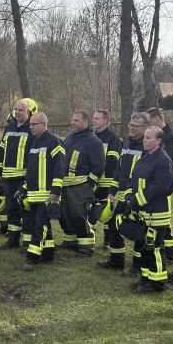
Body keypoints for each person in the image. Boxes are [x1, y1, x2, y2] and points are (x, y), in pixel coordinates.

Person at [118, 126, 173, 293]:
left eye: (149, 138)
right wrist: (129, 194)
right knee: (144, 247)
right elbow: (133, 179)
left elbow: (160, 187)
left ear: (158, 141)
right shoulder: (145, 157)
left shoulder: (163, 161)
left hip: (156, 213)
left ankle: (157, 283)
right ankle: (146, 278)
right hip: (143, 212)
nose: (144, 140)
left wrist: (137, 200)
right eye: (144, 137)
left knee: (155, 249)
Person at [58, 110, 105, 257]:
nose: (72, 122)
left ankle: (87, 247)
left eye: (76, 120)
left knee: (79, 216)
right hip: (65, 185)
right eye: (72, 120)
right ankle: (70, 242)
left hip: (80, 186)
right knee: (64, 215)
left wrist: (88, 185)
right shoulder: (69, 138)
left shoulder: (93, 141)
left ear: (85, 122)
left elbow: (99, 166)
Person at [103, 113, 146, 271]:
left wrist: (131, 194)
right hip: (122, 196)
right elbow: (119, 170)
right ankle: (116, 261)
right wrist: (112, 191)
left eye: (136, 125)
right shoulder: (127, 144)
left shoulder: (146, 147)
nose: (131, 127)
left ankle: (138, 266)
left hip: (138, 197)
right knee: (115, 226)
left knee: (138, 231)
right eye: (130, 123)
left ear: (145, 128)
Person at [22, 112, 65, 271]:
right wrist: (23, 188)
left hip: (47, 194)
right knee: (39, 224)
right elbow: (31, 170)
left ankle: (31, 258)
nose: (31, 127)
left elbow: (59, 169)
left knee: (40, 226)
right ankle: (48, 253)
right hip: (33, 194)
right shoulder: (34, 142)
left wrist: (56, 191)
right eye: (30, 124)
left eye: (34, 124)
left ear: (44, 125)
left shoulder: (54, 142)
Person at [0, 98, 37, 249]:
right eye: (16, 109)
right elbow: (1, 150)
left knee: (25, 210)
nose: (17, 112)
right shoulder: (9, 127)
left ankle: (27, 243)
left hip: (23, 177)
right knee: (11, 209)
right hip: (7, 177)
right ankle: (12, 240)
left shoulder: (31, 130)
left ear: (30, 112)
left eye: (21, 110)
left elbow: (34, 156)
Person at [146, 107, 173, 262]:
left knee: (164, 221)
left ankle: (169, 253)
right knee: (161, 222)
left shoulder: (170, 139)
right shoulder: (162, 136)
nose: (148, 125)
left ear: (157, 119)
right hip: (156, 184)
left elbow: (168, 162)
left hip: (164, 186)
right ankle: (166, 251)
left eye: (149, 122)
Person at [92, 109, 122, 257]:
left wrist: (98, 172)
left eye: (97, 118)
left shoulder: (113, 138)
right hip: (92, 181)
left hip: (105, 181)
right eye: (93, 118)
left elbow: (112, 161)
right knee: (91, 210)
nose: (94, 121)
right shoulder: (91, 136)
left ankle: (108, 240)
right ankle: (89, 238)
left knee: (107, 212)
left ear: (106, 121)